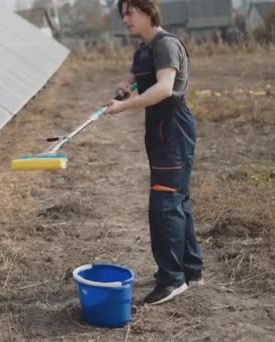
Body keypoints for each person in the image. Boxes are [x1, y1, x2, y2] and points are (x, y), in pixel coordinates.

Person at [105, 0, 203, 305]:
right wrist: (127, 85)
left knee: (165, 204)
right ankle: (191, 270)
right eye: (122, 13)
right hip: (159, 129)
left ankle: (172, 279)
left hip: (172, 128)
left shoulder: (166, 45)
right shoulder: (144, 47)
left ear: (148, 11)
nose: (124, 18)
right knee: (176, 200)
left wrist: (124, 106)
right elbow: (137, 75)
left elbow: (163, 88)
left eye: (130, 12)